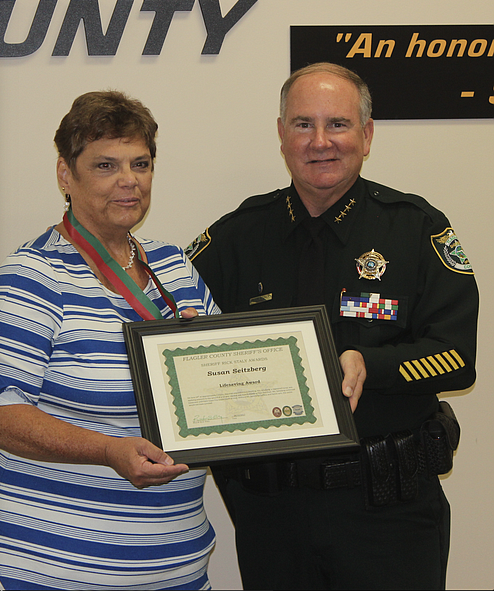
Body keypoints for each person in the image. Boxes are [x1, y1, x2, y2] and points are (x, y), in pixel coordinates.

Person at [187, 62, 476, 589]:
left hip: (388, 512)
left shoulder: (416, 229)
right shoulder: (236, 238)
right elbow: (182, 349)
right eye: (303, 125)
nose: (321, 142)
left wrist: (374, 364)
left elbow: (457, 355)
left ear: (366, 134)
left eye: (338, 124)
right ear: (281, 135)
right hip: (272, 517)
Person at [0, 90, 217, 590]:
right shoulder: (31, 277)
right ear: (66, 175)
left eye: (141, 163)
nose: (129, 180)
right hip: (64, 567)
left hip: (177, 562)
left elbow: (222, 379)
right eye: (106, 165)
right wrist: (108, 451)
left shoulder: (176, 266)